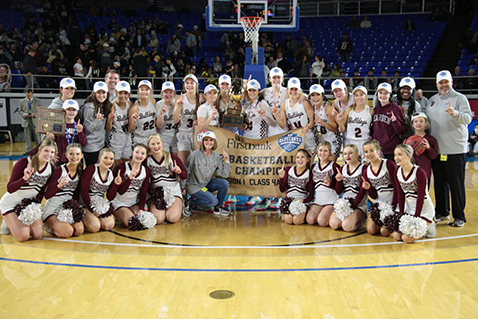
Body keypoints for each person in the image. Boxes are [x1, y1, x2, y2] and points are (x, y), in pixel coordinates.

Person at [426, 70, 472, 227]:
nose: (444, 85)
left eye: (446, 82)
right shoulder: (432, 100)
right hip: (437, 150)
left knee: (456, 184)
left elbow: (467, 118)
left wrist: (455, 113)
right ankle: (442, 212)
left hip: (455, 150)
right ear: (436, 84)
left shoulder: (460, 98)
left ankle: (459, 216)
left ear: (451, 82)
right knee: (439, 183)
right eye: (441, 82)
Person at [0, 138, 56, 242]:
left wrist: (34, 208)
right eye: (46, 151)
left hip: (27, 205)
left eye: (52, 152)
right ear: (39, 150)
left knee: (37, 234)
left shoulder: (50, 169)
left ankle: (16, 220)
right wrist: (24, 179)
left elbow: (41, 192)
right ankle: (7, 222)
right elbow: (10, 188)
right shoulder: (24, 162)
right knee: (23, 236)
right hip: (11, 203)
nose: (49, 154)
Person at [392, 144, 436, 243]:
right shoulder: (397, 172)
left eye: (400, 154)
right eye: (395, 155)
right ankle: (423, 227)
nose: (396, 158)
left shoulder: (419, 172)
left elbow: (421, 196)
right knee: (397, 236)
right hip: (410, 208)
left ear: (409, 156)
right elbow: (400, 194)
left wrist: (417, 217)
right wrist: (401, 215)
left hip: (423, 209)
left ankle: (430, 222)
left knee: (406, 239)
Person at [42, 143, 84, 238]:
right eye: (71, 154)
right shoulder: (59, 170)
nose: (74, 157)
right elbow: (47, 195)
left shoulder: (80, 171)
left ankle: (60, 225)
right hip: (53, 208)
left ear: (82, 156)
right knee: (67, 232)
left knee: (79, 230)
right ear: (66, 155)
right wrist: (59, 185)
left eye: (77, 154)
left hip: (66, 209)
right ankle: (49, 225)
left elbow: (76, 195)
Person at [184, 131, 231, 216]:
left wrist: (227, 162)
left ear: (214, 142)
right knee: (213, 201)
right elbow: (186, 170)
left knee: (224, 183)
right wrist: (183, 187)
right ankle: (190, 202)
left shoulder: (217, 157)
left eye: (211, 140)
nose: (209, 142)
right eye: (206, 140)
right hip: (194, 186)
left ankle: (218, 208)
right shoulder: (194, 154)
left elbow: (224, 175)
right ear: (202, 142)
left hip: (205, 185)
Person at [146, 134, 187, 224]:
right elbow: (145, 182)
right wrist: (154, 193)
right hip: (156, 192)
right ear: (149, 146)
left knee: (172, 218)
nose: (156, 146)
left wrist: (179, 172)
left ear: (162, 144)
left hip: (173, 190)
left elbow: (185, 175)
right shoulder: (147, 161)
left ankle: (179, 205)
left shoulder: (172, 157)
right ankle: (161, 210)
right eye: (153, 144)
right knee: (158, 219)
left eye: (158, 143)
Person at [80, 148, 121, 232]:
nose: (108, 161)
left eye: (111, 159)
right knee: (94, 227)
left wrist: (116, 185)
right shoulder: (91, 169)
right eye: (105, 158)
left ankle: (93, 220)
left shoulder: (110, 174)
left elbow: (110, 197)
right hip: (85, 204)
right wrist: (92, 210)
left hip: (99, 206)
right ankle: (83, 221)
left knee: (108, 225)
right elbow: (83, 192)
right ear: (99, 158)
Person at [361, 140, 398, 236]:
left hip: (392, 203)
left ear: (378, 151)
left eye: (371, 150)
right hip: (378, 204)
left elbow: (398, 188)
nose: (369, 154)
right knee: (371, 230)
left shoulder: (389, 164)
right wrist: (369, 188)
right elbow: (373, 196)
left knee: (384, 232)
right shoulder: (366, 171)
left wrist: (393, 208)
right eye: (366, 151)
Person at [273, 78, 315, 158]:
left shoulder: (305, 103)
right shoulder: (284, 105)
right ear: (287, 90)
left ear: (299, 90)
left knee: (308, 163)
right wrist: (276, 116)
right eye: (291, 89)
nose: (293, 91)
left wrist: (308, 127)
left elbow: (312, 121)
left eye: (295, 89)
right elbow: (283, 125)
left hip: (308, 137)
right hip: (295, 139)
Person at [330, 144, 367, 232]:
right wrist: (339, 181)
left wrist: (352, 206)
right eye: (345, 154)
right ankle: (349, 218)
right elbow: (339, 191)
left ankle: (361, 220)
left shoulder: (364, 168)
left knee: (347, 226)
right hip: (344, 204)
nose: (347, 156)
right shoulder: (342, 169)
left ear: (357, 154)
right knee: (334, 224)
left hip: (358, 205)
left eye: (350, 153)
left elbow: (362, 192)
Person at [112, 143, 150, 227]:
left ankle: (127, 213)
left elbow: (143, 192)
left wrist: (141, 209)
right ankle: (117, 214)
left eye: (143, 153)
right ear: (132, 152)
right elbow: (121, 191)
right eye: (137, 152)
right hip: (119, 202)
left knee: (144, 221)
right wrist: (130, 178)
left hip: (133, 203)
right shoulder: (122, 167)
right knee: (132, 223)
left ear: (146, 156)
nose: (139, 155)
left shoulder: (146, 171)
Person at [306, 141, 340, 227]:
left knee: (321, 221)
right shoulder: (314, 167)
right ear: (317, 152)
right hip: (318, 200)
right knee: (310, 220)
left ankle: (333, 214)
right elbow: (311, 186)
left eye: (325, 151)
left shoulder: (334, 166)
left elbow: (340, 188)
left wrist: (330, 184)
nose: (322, 153)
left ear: (329, 153)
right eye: (320, 150)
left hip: (331, 200)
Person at [44, 100, 86, 167]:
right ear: (64, 111)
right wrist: (52, 153)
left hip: (76, 159)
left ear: (77, 112)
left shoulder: (79, 127)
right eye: (68, 109)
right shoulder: (58, 126)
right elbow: (52, 143)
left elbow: (83, 144)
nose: (71, 112)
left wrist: (80, 132)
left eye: (74, 110)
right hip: (61, 159)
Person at [335, 86, 373, 159]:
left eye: (361, 95)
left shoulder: (371, 111)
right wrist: (339, 121)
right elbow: (343, 130)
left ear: (365, 96)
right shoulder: (349, 110)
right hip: (351, 143)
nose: (359, 97)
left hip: (365, 143)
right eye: (356, 95)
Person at [278, 149, 313, 225]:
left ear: (307, 159)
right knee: (289, 220)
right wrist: (281, 178)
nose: (300, 160)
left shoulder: (309, 174)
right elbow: (282, 189)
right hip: (288, 202)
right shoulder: (288, 170)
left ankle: (305, 215)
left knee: (297, 221)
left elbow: (311, 196)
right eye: (297, 157)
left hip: (301, 203)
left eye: (302, 157)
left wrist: (302, 201)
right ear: (295, 159)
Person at [372, 82, 406, 160]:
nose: (383, 96)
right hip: (377, 149)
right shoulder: (376, 109)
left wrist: (395, 122)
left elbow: (402, 131)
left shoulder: (396, 109)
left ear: (390, 95)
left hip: (391, 150)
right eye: (380, 93)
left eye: (386, 93)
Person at [82, 81, 111, 166]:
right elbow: (87, 129)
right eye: (98, 92)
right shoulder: (89, 107)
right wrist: (97, 120)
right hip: (91, 147)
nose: (101, 95)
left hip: (101, 144)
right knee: (92, 172)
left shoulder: (105, 105)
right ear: (94, 93)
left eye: (103, 92)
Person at [310, 84, 341, 161]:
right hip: (321, 141)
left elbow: (335, 129)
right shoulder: (312, 108)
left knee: (330, 166)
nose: (315, 97)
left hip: (332, 140)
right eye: (312, 95)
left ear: (322, 96)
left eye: (318, 94)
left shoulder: (328, 108)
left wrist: (322, 122)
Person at [105, 81, 132, 166]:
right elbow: (108, 129)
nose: (123, 96)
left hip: (127, 136)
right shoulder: (112, 105)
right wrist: (109, 119)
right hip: (116, 138)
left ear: (129, 94)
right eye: (120, 93)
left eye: (126, 93)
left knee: (127, 163)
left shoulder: (130, 104)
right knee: (115, 165)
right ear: (116, 93)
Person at [174, 74, 199, 165]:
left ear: (196, 85)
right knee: (182, 167)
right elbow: (175, 120)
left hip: (197, 134)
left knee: (196, 167)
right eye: (187, 83)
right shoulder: (180, 98)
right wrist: (178, 107)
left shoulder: (201, 98)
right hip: (184, 133)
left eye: (192, 83)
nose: (189, 85)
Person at [408, 112, 438, 186]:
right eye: (416, 121)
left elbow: (434, 156)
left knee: (424, 195)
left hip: (425, 172)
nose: (418, 123)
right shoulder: (408, 140)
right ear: (412, 124)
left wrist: (428, 148)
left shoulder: (431, 139)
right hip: (410, 172)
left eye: (421, 121)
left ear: (426, 124)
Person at [128, 80, 156, 146]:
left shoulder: (153, 101)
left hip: (152, 138)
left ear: (150, 92)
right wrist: (133, 122)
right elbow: (130, 130)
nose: (144, 92)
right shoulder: (134, 108)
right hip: (139, 139)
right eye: (142, 89)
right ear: (138, 91)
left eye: (147, 89)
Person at [155, 81, 178, 153]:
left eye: (170, 92)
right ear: (162, 94)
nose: (168, 95)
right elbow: (158, 125)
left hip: (176, 137)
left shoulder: (178, 104)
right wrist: (161, 113)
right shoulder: (158, 105)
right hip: (163, 137)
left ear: (174, 93)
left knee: (176, 160)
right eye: (166, 92)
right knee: (166, 161)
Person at [19, 89, 41, 154]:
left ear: (32, 94)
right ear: (25, 94)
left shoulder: (38, 101)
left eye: (30, 94)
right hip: (26, 121)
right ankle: (29, 151)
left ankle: (39, 150)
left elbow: (40, 111)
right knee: (27, 137)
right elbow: (20, 111)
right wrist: (24, 114)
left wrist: (34, 114)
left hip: (34, 121)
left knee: (37, 137)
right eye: (27, 94)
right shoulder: (21, 101)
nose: (28, 96)